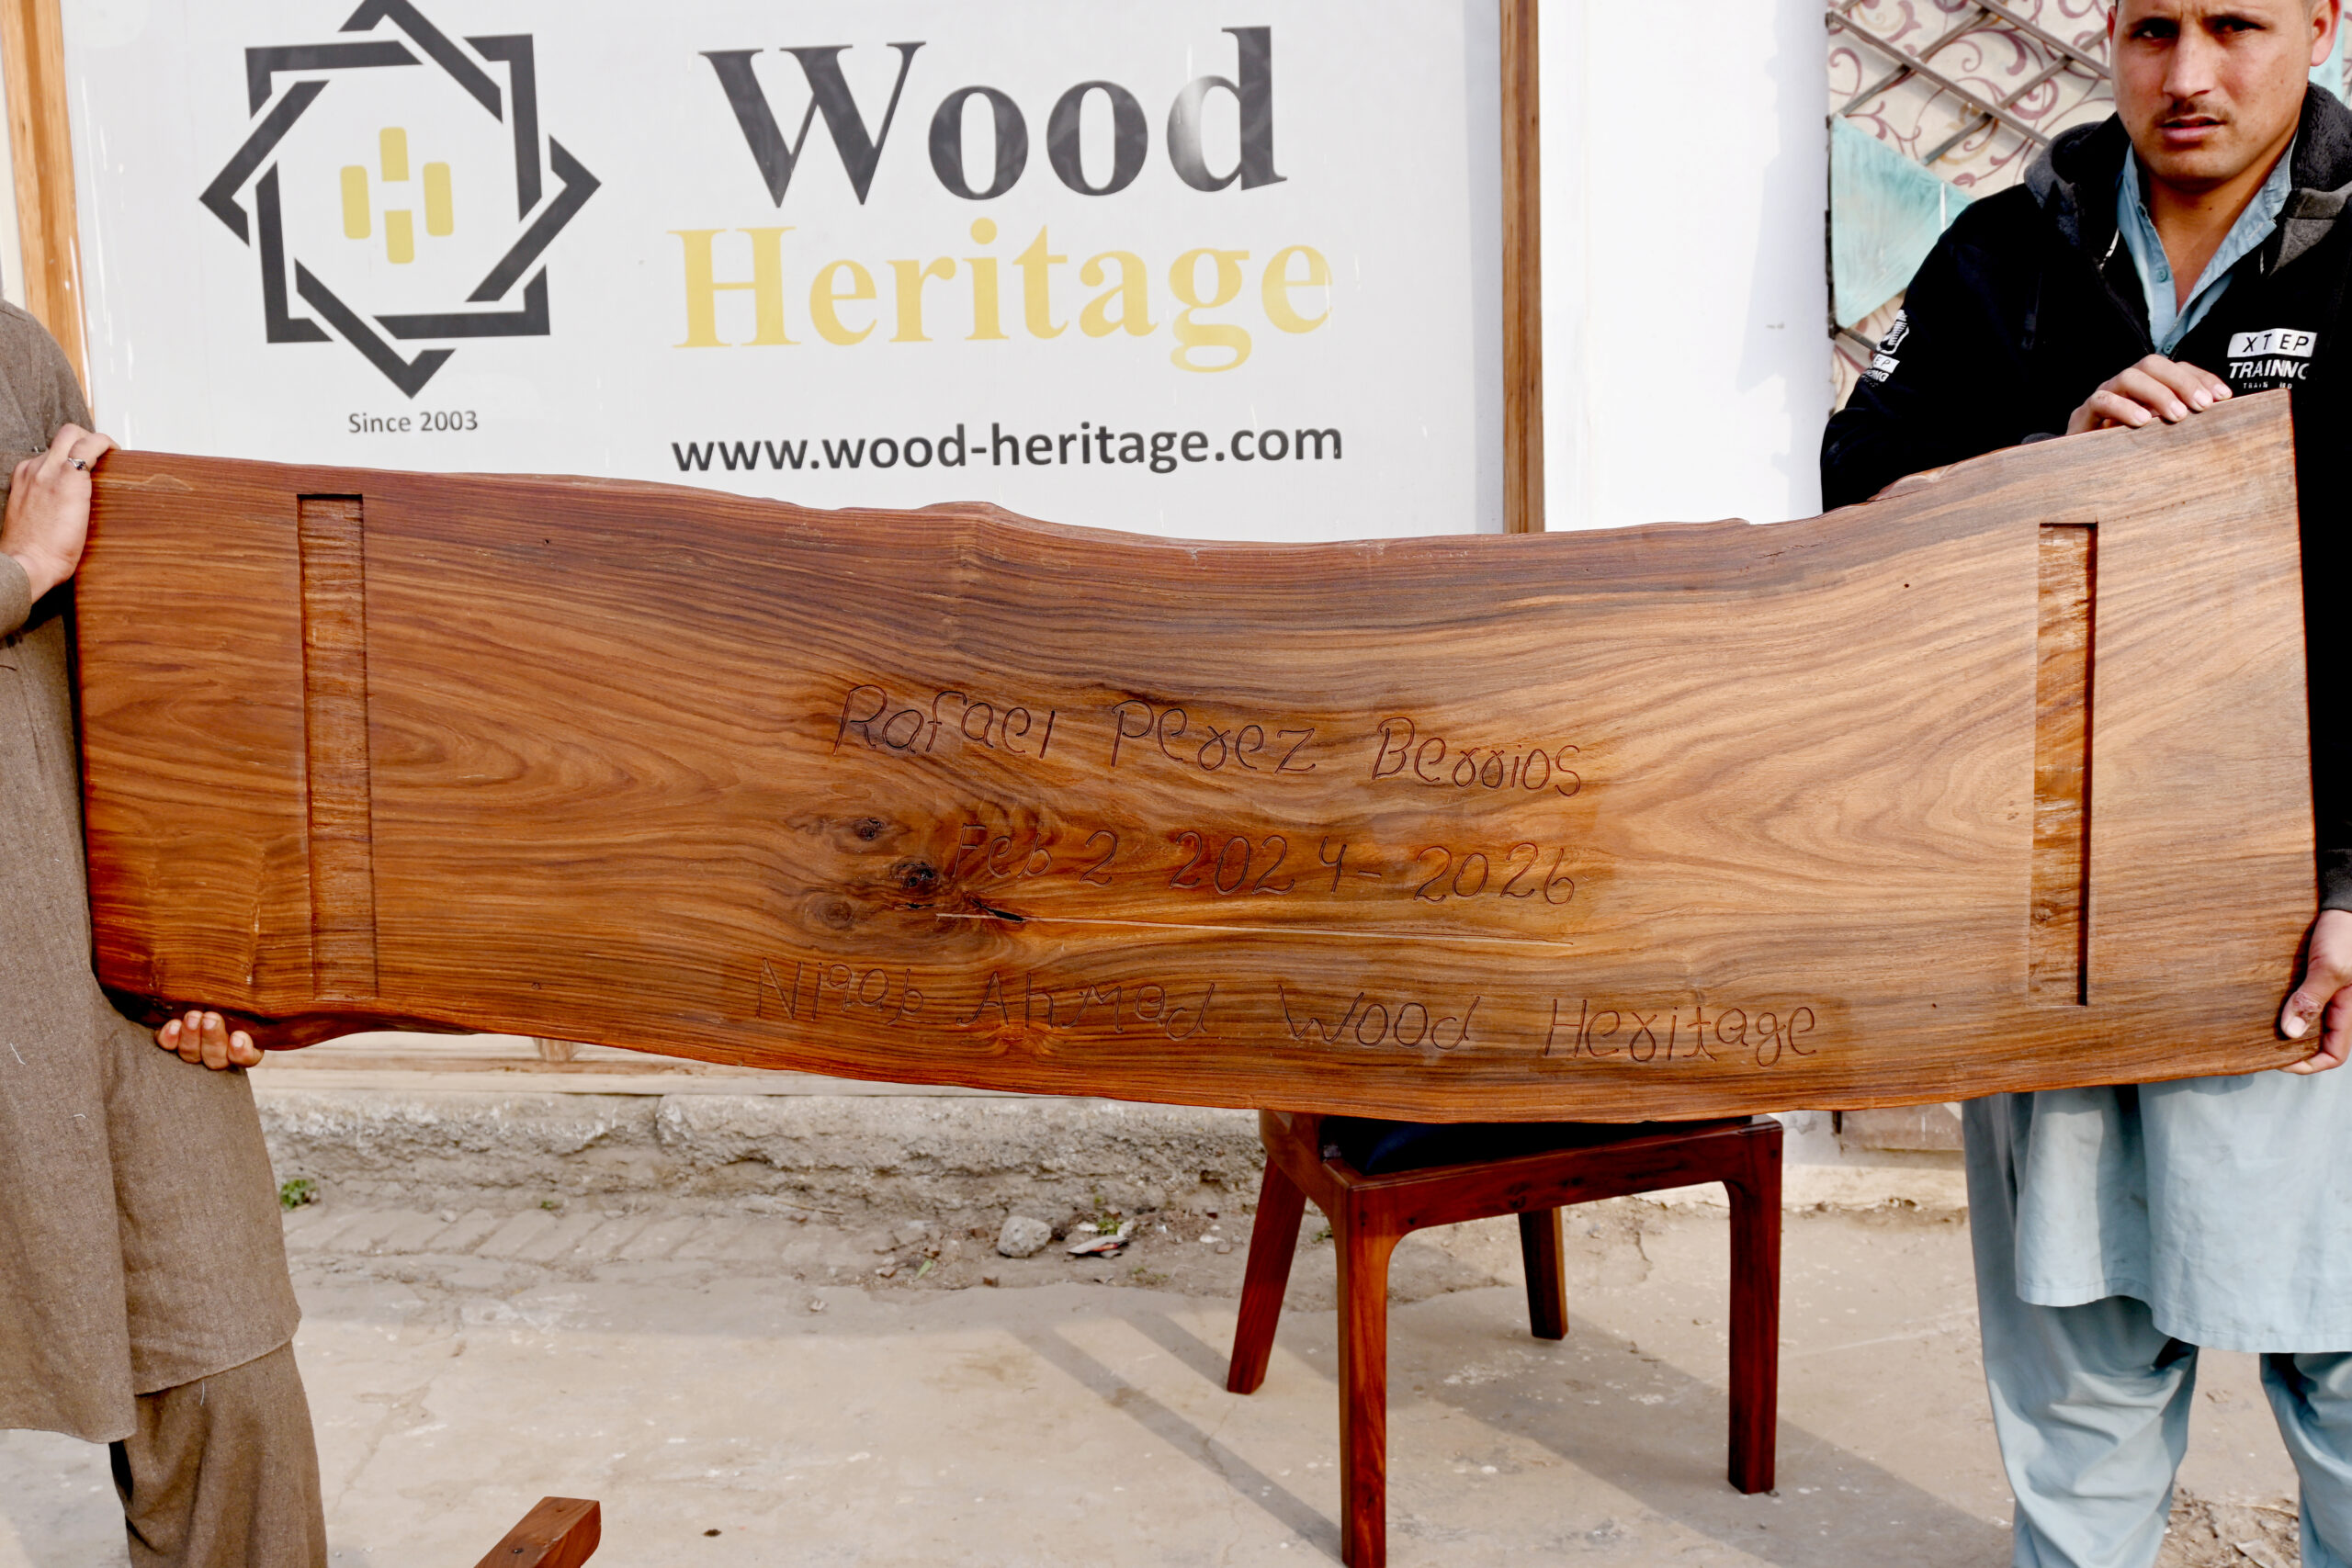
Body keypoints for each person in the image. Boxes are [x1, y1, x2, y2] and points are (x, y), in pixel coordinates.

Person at [1823, 2, 2352, 1563]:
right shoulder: (2008, 249)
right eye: (2152, 28)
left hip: (2299, 927)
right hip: (2047, 901)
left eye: (2236, 25)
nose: (2187, 76)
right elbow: (1852, 514)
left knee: (2340, 1358)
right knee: (2078, 1374)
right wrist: (2050, 461)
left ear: (2323, 21)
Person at [0, 300, 326, 1566]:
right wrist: (18, 574)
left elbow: (126, 662)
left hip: (90, 969)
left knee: (225, 1366)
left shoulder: (10, 351)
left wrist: (196, 945)